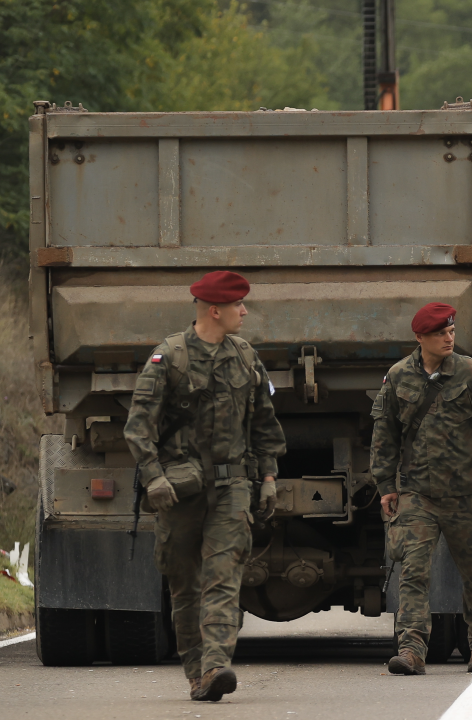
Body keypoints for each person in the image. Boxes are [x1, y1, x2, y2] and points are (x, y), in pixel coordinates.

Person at [124, 270, 286, 702]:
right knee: (185, 583)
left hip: (232, 486)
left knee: (224, 575)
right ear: (215, 310)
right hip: (180, 489)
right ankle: (197, 673)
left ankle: (216, 664)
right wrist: (154, 477)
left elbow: (263, 423)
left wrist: (268, 477)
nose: (245, 312)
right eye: (238, 306)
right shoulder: (169, 358)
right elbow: (138, 428)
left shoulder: (246, 356)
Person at [370, 302, 472, 675]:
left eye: (452, 331)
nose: (449, 338)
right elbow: (384, 436)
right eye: (440, 333)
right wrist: (386, 485)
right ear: (420, 337)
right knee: (413, 571)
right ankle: (411, 650)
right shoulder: (398, 377)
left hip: (466, 494)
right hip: (418, 493)